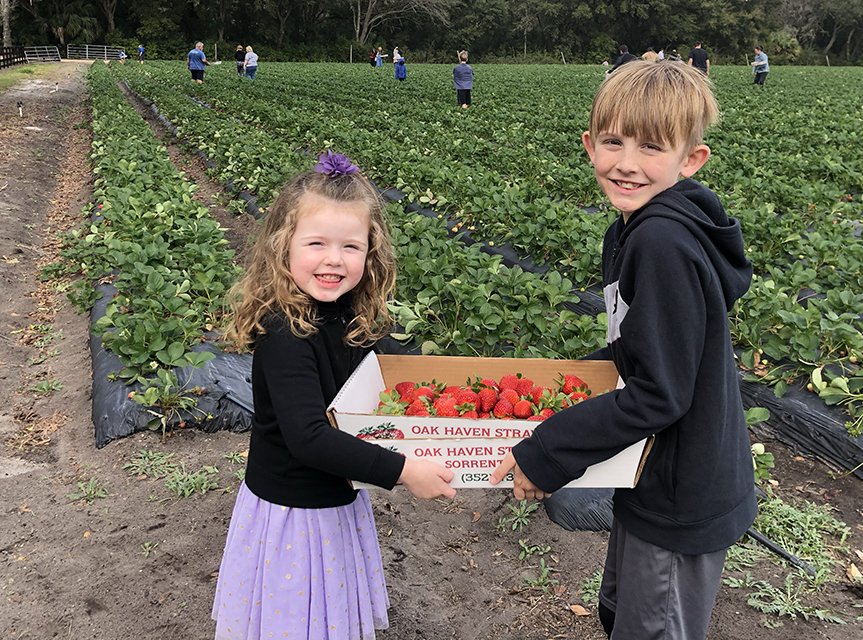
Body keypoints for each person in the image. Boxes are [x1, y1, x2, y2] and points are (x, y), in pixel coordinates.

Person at [491, 62, 757, 640]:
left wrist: (550, 448)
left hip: (678, 485)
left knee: (653, 628)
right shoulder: (633, 227)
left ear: (690, 160)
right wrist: (566, 383)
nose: (626, 163)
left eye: (651, 147)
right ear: (590, 145)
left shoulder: (662, 242)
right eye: (613, 141)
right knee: (624, 612)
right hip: (652, 469)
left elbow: (661, 392)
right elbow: (638, 347)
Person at [211, 151, 456, 640]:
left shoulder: (349, 313)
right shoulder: (284, 333)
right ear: (284, 246)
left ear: (370, 253)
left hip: (336, 500)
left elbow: (392, 377)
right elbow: (308, 437)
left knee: (325, 613)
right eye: (316, 243)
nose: (333, 259)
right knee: (298, 617)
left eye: (350, 246)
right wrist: (404, 470)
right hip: (294, 512)